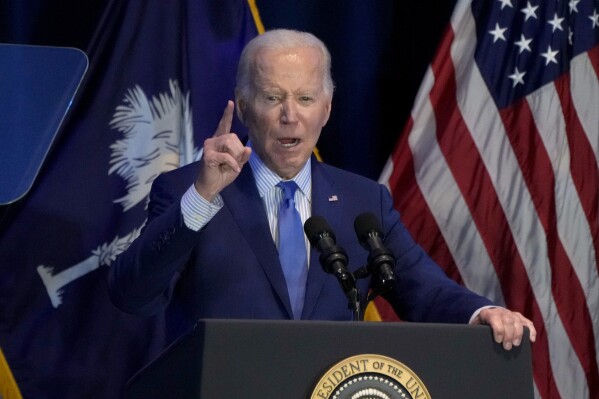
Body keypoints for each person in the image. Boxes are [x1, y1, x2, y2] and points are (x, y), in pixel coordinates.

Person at [108, 29, 536, 351]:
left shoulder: (364, 203)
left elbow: (424, 289)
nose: (289, 116)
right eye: (273, 96)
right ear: (243, 103)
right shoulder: (188, 190)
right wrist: (201, 198)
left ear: (327, 108)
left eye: (306, 98)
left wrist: (483, 312)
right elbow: (132, 295)